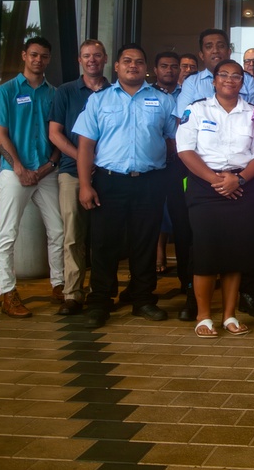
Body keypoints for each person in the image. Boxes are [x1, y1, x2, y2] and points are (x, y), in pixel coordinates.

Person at [74, 44, 177, 329]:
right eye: (127, 61)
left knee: (144, 242)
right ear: (116, 66)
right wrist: (85, 185)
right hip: (109, 181)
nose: (134, 65)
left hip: (150, 181)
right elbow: (85, 146)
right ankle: (100, 302)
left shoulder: (163, 100)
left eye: (139, 62)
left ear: (147, 68)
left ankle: (143, 299)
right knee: (105, 244)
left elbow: (172, 141)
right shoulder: (99, 101)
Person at [177, 60, 254, 338]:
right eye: (224, 75)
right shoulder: (197, 109)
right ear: (214, 80)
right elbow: (185, 150)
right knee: (206, 251)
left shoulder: (253, 113)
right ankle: (204, 316)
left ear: (243, 82)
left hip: (242, 186)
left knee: (236, 253)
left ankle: (229, 315)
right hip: (206, 187)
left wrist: (237, 180)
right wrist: (216, 180)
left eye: (236, 76)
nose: (230, 80)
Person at [0, 36, 64, 318]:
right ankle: (8, 293)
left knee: (58, 230)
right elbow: (0, 134)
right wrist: (19, 167)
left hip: (45, 172)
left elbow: (58, 135)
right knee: (7, 234)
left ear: (48, 59)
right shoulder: (5, 92)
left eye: (43, 56)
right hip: (13, 173)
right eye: (33, 55)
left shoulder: (54, 94)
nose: (38, 60)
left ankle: (59, 285)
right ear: (24, 56)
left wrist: (48, 167)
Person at [48, 39, 110, 315]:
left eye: (97, 55)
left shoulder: (115, 91)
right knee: (73, 236)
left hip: (108, 174)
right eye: (87, 56)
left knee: (106, 238)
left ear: (106, 58)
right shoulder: (66, 92)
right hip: (72, 173)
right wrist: (83, 158)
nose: (92, 60)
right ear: (79, 60)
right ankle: (72, 293)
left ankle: (104, 291)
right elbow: (55, 133)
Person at [152, 52, 184, 277]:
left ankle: (186, 272)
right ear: (155, 70)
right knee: (154, 211)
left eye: (174, 67)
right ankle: (157, 253)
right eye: (164, 66)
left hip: (181, 163)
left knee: (181, 214)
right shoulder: (147, 93)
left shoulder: (187, 92)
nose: (169, 70)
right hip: (155, 164)